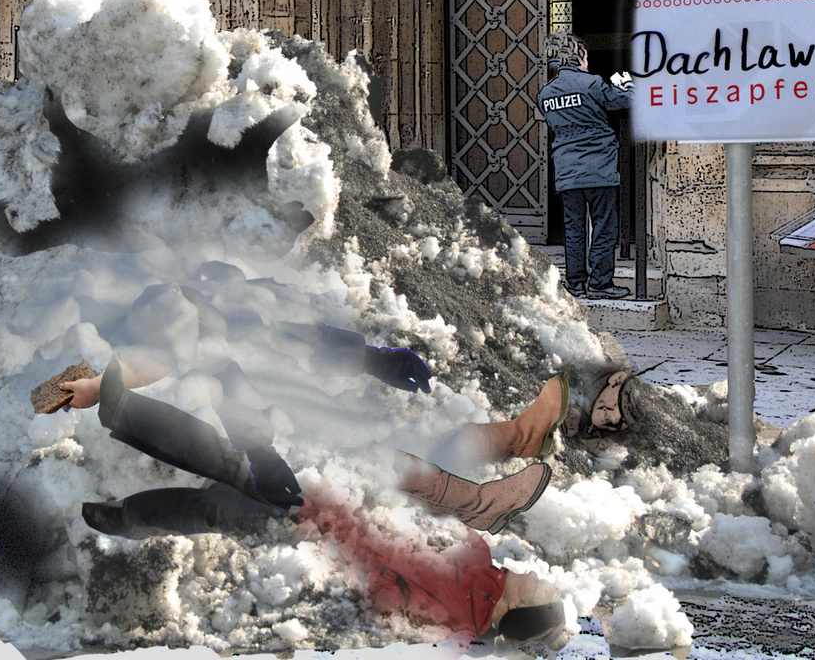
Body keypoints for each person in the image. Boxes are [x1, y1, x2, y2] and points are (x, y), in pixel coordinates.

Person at [74, 357, 570, 650]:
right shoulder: (482, 577)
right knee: (218, 501)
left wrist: (333, 537)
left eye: (543, 590)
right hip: (324, 513)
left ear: (522, 606)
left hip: (317, 522)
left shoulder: (469, 602)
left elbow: (388, 580)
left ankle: (140, 413)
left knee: (229, 461)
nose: (542, 578)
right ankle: (128, 517)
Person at [537, 32, 633, 301]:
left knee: (574, 228)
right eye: (586, 57)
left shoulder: (546, 94)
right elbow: (623, 101)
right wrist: (626, 83)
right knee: (603, 225)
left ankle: (576, 283)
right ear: (579, 57)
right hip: (598, 166)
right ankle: (601, 283)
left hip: (567, 170)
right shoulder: (592, 83)